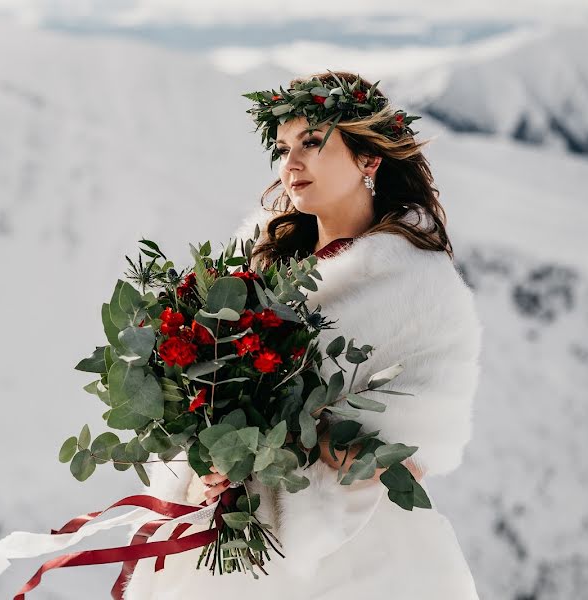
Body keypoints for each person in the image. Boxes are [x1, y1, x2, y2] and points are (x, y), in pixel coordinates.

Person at [122, 70, 483, 599]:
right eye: (283, 147)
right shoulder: (253, 261)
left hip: (353, 556)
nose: (290, 164)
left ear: (369, 158)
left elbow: (409, 451)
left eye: (312, 143)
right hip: (230, 538)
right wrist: (212, 459)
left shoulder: (418, 286)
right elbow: (196, 400)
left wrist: (282, 445)